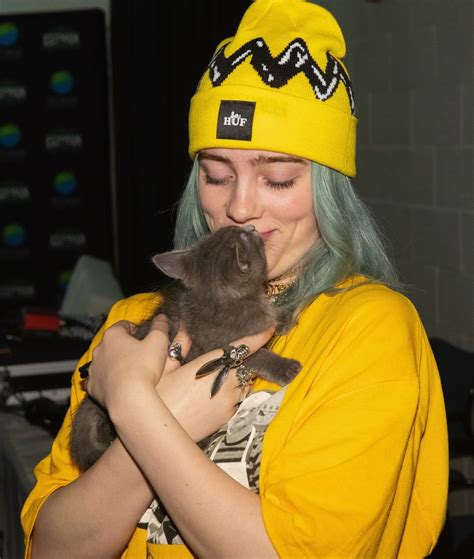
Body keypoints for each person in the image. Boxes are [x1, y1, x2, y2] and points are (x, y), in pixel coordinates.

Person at [21, 0, 449, 557]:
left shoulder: (368, 330)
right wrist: (160, 420)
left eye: (277, 179)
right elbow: (51, 548)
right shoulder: (134, 322)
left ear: (329, 188)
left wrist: (135, 403)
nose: (240, 207)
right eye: (217, 174)